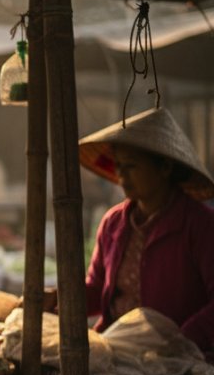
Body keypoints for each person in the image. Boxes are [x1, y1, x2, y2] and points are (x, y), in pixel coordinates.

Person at [79, 108, 214, 355]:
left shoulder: (200, 225)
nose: (121, 175)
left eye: (131, 166)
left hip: (178, 359)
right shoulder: (113, 223)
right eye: (118, 166)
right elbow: (98, 289)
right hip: (115, 349)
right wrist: (60, 299)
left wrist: (182, 342)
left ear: (164, 168)